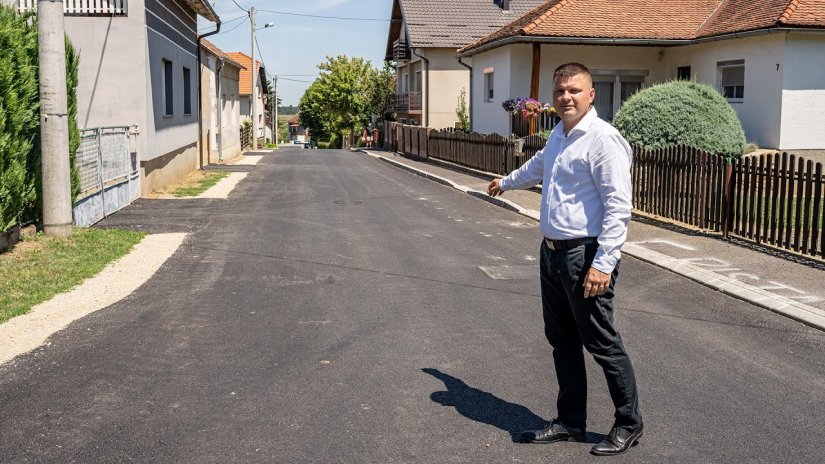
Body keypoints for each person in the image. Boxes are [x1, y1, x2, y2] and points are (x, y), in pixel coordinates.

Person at [487, 63, 643, 456]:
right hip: (552, 254)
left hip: (585, 255)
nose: (565, 97)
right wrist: (505, 182)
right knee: (563, 342)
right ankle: (571, 421)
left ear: (591, 94)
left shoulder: (603, 140)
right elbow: (537, 167)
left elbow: (618, 208)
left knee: (602, 342)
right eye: (559, 91)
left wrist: (603, 264)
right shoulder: (558, 135)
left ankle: (629, 422)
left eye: (574, 90)